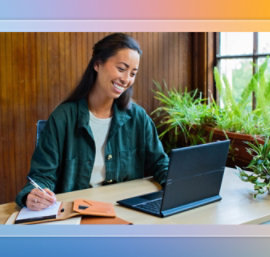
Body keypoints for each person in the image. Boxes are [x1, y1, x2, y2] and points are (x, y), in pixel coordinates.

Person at [15, 33, 169, 210]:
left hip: (126, 210)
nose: (126, 79)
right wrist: (34, 194)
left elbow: (160, 164)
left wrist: (176, 185)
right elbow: (41, 177)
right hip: (77, 213)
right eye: (121, 69)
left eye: (133, 73)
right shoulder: (62, 117)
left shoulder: (138, 118)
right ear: (97, 64)